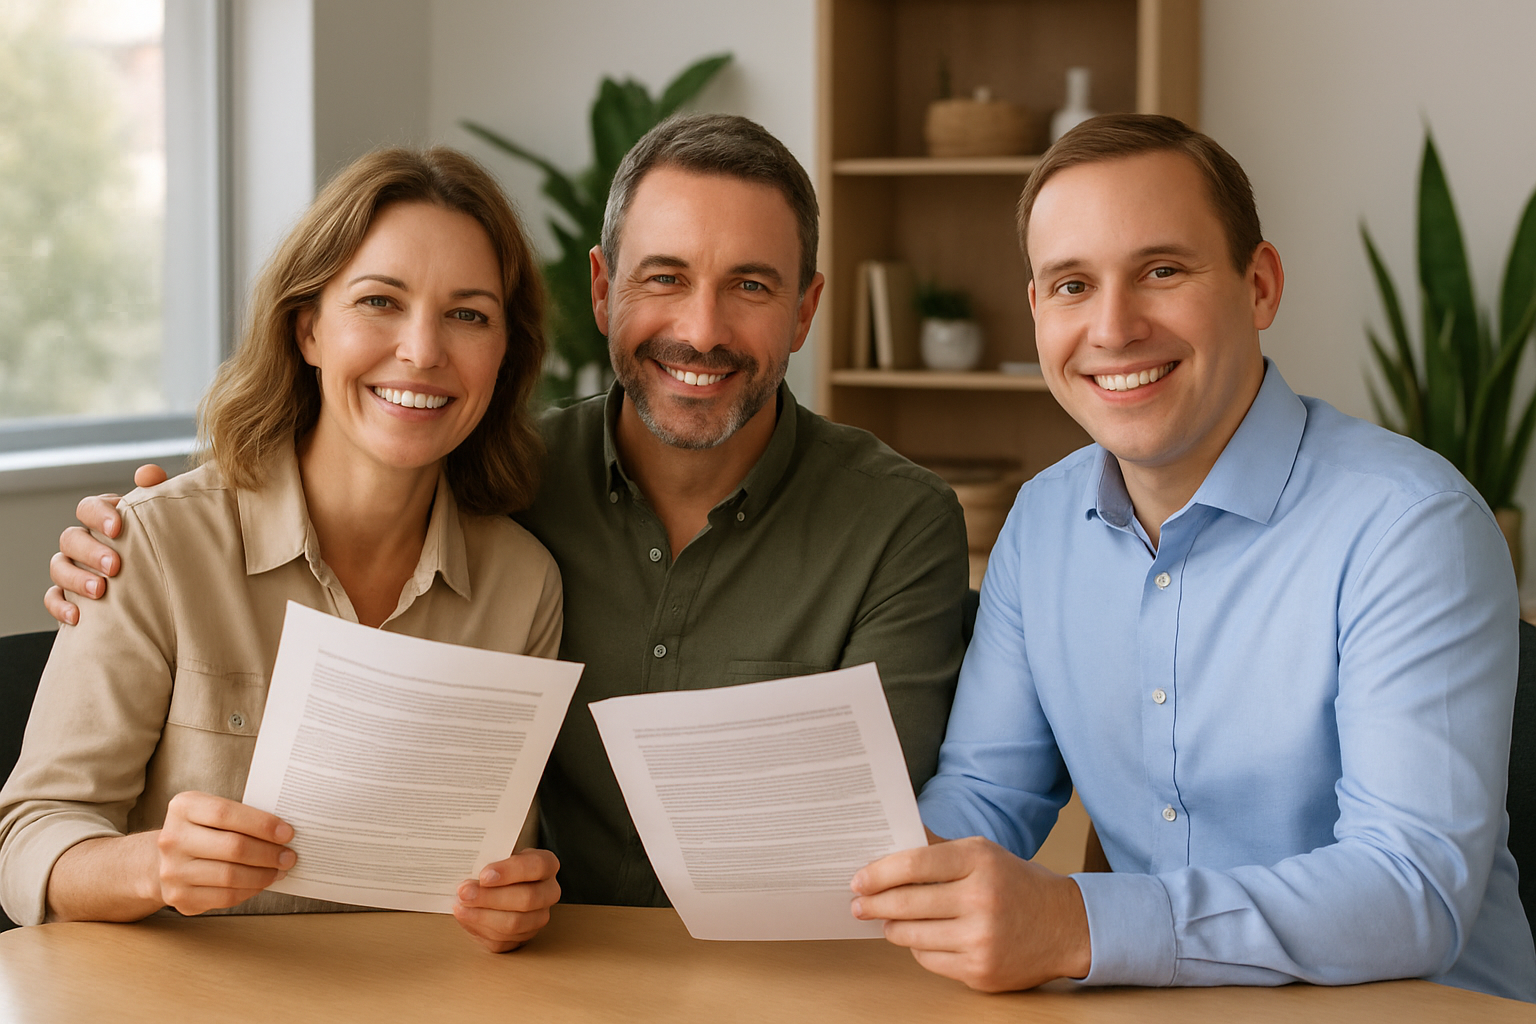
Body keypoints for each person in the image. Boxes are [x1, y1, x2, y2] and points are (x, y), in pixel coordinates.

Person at [44, 115, 969, 908]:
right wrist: (146, 534)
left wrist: (505, 904)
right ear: (603, 289)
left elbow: (874, 840)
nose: (702, 330)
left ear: (806, 310)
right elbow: (42, 829)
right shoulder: (501, 485)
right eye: (664, 277)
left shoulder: (889, 525)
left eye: (753, 286)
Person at [849, 114, 1536, 1002]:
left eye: (1161, 271)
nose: (1113, 327)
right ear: (1036, 314)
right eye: (1071, 285)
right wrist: (864, 877)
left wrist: (1077, 924)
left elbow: (1411, 891)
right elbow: (985, 795)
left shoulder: (1412, 527)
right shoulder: (1041, 523)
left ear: (1259, 286)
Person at [4, 147, 565, 952]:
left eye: (468, 314)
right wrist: (153, 867)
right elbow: (29, 838)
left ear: (505, 352)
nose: (422, 350)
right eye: (380, 301)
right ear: (308, 329)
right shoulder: (156, 544)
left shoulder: (524, 585)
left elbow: (496, 865)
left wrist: (515, 900)